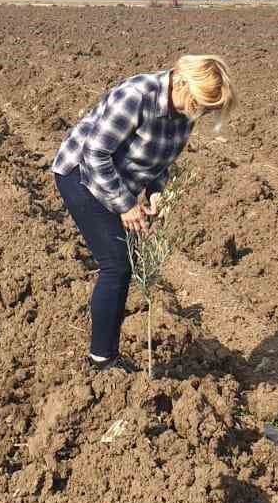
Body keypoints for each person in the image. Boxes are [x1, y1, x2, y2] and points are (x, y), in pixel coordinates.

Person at [53, 54, 235, 374]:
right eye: (198, 104)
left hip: (116, 181)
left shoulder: (184, 109)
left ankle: (105, 344)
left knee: (125, 261)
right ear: (180, 82)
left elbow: (160, 159)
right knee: (117, 264)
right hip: (80, 175)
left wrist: (156, 194)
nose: (198, 113)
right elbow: (94, 154)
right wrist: (126, 205)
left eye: (205, 109)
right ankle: (103, 360)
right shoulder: (137, 97)